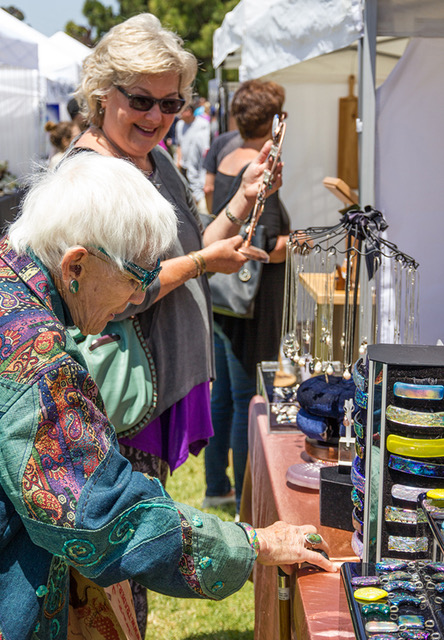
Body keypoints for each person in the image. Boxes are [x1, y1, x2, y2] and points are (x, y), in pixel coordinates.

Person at [0, 151, 335, 640]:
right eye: (136, 278)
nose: (139, 298)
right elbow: (103, 514)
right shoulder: (40, 361)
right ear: (76, 263)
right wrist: (252, 542)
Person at [73, 13, 285, 634]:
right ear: (100, 94)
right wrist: (199, 264)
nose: (155, 115)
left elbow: (192, 244)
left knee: (136, 568)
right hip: (117, 408)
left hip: (154, 398)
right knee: (119, 571)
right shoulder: (89, 178)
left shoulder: (152, 160)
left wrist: (241, 200)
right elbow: (107, 296)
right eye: (140, 99)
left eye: (170, 102)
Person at [203, 80, 290, 515]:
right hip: (250, 303)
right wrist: (300, 242)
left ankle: (216, 486)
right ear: (274, 121)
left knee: (224, 398)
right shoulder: (261, 165)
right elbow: (267, 244)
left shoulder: (224, 154)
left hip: (223, 297)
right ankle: (242, 500)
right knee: (246, 401)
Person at [175, 98, 210, 213]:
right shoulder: (179, 125)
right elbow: (179, 144)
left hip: (198, 167)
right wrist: (178, 161)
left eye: (182, 111)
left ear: (189, 111)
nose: (179, 114)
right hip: (184, 166)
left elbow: (205, 149)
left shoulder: (202, 125)